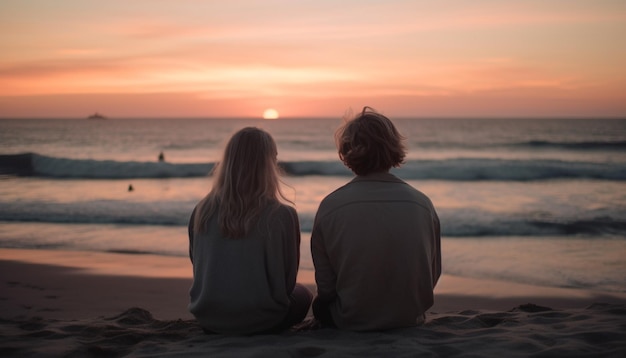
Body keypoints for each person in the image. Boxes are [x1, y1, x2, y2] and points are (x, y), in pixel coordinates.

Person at [310, 107, 441, 331]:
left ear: (347, 151)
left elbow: (327, 288)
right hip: (408, 318)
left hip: (351, 319)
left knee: (318, 305)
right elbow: (432, 274)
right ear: (393, 148)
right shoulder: (422, 203)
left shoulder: (330, 206)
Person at [188, 127, 312, 335]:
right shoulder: (282, 215)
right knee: (304, 294)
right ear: (268, 164)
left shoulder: (201, 211)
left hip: (209, 318)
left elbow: (198, 265)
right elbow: (287, 283)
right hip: (262, 321)